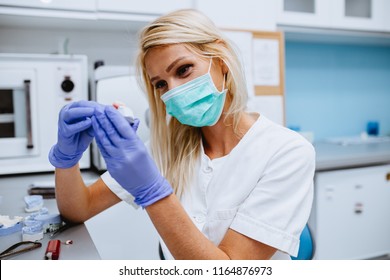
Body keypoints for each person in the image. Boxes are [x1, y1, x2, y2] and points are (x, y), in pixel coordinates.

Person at [49, 9, 315, 260]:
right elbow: (78, 209)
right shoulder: (164, 148)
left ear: (221, 61)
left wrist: (152, 192)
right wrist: (66, 157)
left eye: (183, 69)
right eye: (161, 84)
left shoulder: (287, 152)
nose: (173, 90)